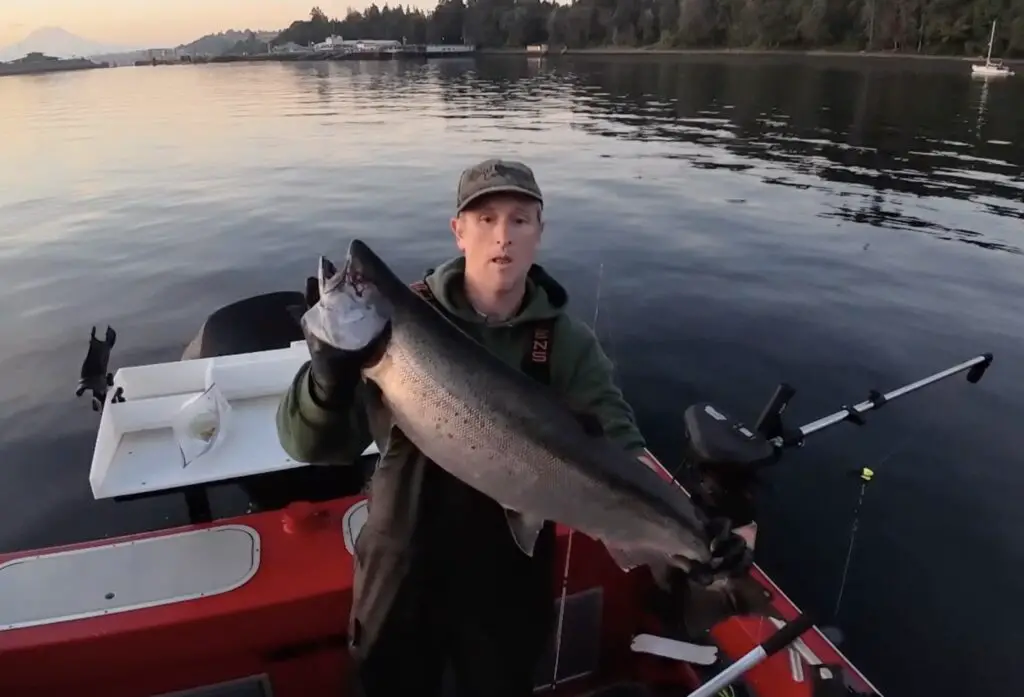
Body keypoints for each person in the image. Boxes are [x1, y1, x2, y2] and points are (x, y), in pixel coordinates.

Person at [275, 158, 748, 697]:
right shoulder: (402, 319)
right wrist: (328, 379)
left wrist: (699, 530)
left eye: (520, 220)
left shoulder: (567, 342)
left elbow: (619, 443)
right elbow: (308, 444)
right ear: (458, 232)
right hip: (403, 562)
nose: (502, 236)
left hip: (509, 573)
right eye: (485, 219)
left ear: (539, 233)